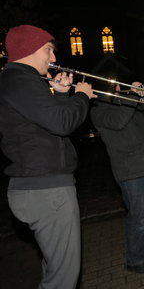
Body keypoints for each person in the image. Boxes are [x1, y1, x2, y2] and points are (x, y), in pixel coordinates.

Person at [0, 24, 95, 288]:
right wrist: (81, 97)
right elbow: (63, 124)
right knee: (63, 279)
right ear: (30, 49)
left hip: (40, 187)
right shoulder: (20, 80)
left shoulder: (20, 81)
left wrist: (63, 96)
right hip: (47, 190)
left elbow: (50, 127)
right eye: (49, 51)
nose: (53, 59)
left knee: (54, 268)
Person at [90, 80, 144, 274]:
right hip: (130, 172)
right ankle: (134, 260)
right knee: (138, 216)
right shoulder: (99, 110)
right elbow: (119, 122)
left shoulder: (125, 104)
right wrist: (133, 96)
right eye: (115, 85)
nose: (119, 87)